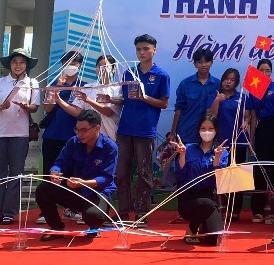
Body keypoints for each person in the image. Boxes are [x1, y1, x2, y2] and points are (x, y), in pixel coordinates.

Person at [36, 109, 117, 241]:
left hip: (97, 193)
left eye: (84, 130)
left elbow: (106, 179)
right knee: (43, 189)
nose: (79, 134)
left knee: (94, 216)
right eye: (77, 130)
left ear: (97, 128)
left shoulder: (110, 147)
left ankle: (94, 227)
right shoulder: (73, 142)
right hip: (75, 189)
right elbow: (59, 163)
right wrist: (54, 172)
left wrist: (83, 183)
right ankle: (56, 228)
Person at [117, 33, 171, 225]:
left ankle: (142, 212)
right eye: (139, 49)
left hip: (145, 130)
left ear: (154, 50)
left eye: (146, 49)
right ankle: (123, 212)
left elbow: (164, 104)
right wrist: (110, 100)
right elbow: (124, 100)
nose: (142, 52)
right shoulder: (128, 73)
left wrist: (144, 97)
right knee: (121, 172)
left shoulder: (162, 75)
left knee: (144, 173)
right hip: (125, 129)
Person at [0, 48, 40, 225]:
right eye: (14, 62)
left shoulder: (32, 83)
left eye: (22, 62)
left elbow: (35, 107)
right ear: (9, 64)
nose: (18, 65)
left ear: (26, 65)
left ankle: (10, 213)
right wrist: (1, 107)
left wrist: (26, 106)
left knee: (16, 173)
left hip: (20, 134)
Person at [172, 117, 228, 245]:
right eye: (203, 128)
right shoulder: (188, 149)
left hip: (209, 196)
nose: (207, 132)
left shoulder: (222, 152)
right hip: (188, 197)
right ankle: (192, 228)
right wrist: (182, 155)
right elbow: (180, 177)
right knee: (206, 204)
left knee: (213, 240)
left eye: (210, 129)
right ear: (198, 130)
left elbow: (219, 181)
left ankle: (203, 225)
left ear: (216, 131)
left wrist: (216, 159)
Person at [208, 67, 251, 221]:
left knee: (238, 177)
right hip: (221, 142)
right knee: (222, 176)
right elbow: (211, 116)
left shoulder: (243, 97)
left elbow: (247, 116)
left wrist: (246, 122)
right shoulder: (214, 95)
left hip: (239, 141)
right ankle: (222, 208)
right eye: (226, 79)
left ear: (236, 82)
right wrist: (217, 101)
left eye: (232, 80)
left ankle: (235, 210)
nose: (228, 82)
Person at [248, 58, 274, 224]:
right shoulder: (253, 86)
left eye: (267, 70)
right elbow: (253, 116)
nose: (264, 73)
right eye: (261, 70)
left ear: (271, 72)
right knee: (260, 168)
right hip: (261, 128)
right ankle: (257, 210)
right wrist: (251, 140)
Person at [40, 51, 85, 177]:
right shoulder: (53, 85)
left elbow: (78, 113)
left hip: (75, 137)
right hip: (52, 136)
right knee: (50, 174)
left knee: (71, 176)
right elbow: (48, 108)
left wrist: (59, 100)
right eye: (67, 62)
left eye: (74, 63)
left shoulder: (84, 86)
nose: (70, 65)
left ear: (80, 65)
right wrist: (58, 87)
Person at [168, 46, 220, 146]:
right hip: (186, 132)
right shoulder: (185, 84)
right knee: (184, 156)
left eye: (207, 61)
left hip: (208, 134)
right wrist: (172, 133)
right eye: (200, 62)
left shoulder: (218, 85)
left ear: (211, 63)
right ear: (195, 64)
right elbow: (178, 110)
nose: (203, 65)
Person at [74, 54, 122, 140]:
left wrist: (88, 100)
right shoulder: (88, 87)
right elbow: (77, 112)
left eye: (106, 66)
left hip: (109, 135)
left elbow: (108, 112)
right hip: (89, 136)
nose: (102, 69)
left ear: (113, 69)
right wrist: (58, 99)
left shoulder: (118, 88)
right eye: (99, 66)